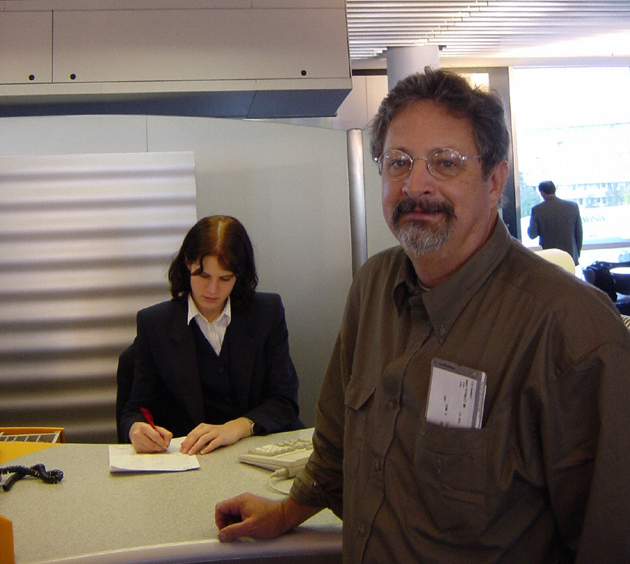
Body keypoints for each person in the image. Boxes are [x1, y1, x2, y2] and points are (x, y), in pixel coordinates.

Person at [215, 68, 630, 563]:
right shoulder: (372, 287)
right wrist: (286, 512)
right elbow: (335, 449)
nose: (416, 185)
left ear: (495, 181)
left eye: (446, 163)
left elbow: (608, 538)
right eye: (399, 163)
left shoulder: (571, 332)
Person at [119, 214, 302, 455]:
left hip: (256, 452)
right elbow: (135, 411)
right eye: (203, 276)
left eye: (225, 278)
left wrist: (236, 428)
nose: (212, 290)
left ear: (239, 274)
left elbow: (284, 402)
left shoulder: (267, 314)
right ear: (188, 263)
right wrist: (135, 430)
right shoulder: (154, 324)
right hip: (192, 462)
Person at [528, 180, 583, 264]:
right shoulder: (572, 207)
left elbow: (532, 234)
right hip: (570, 256)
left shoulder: (537, 210)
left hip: (549, 257)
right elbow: (579, 233)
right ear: (554, 190)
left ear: (542, 193)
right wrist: (577, 253)